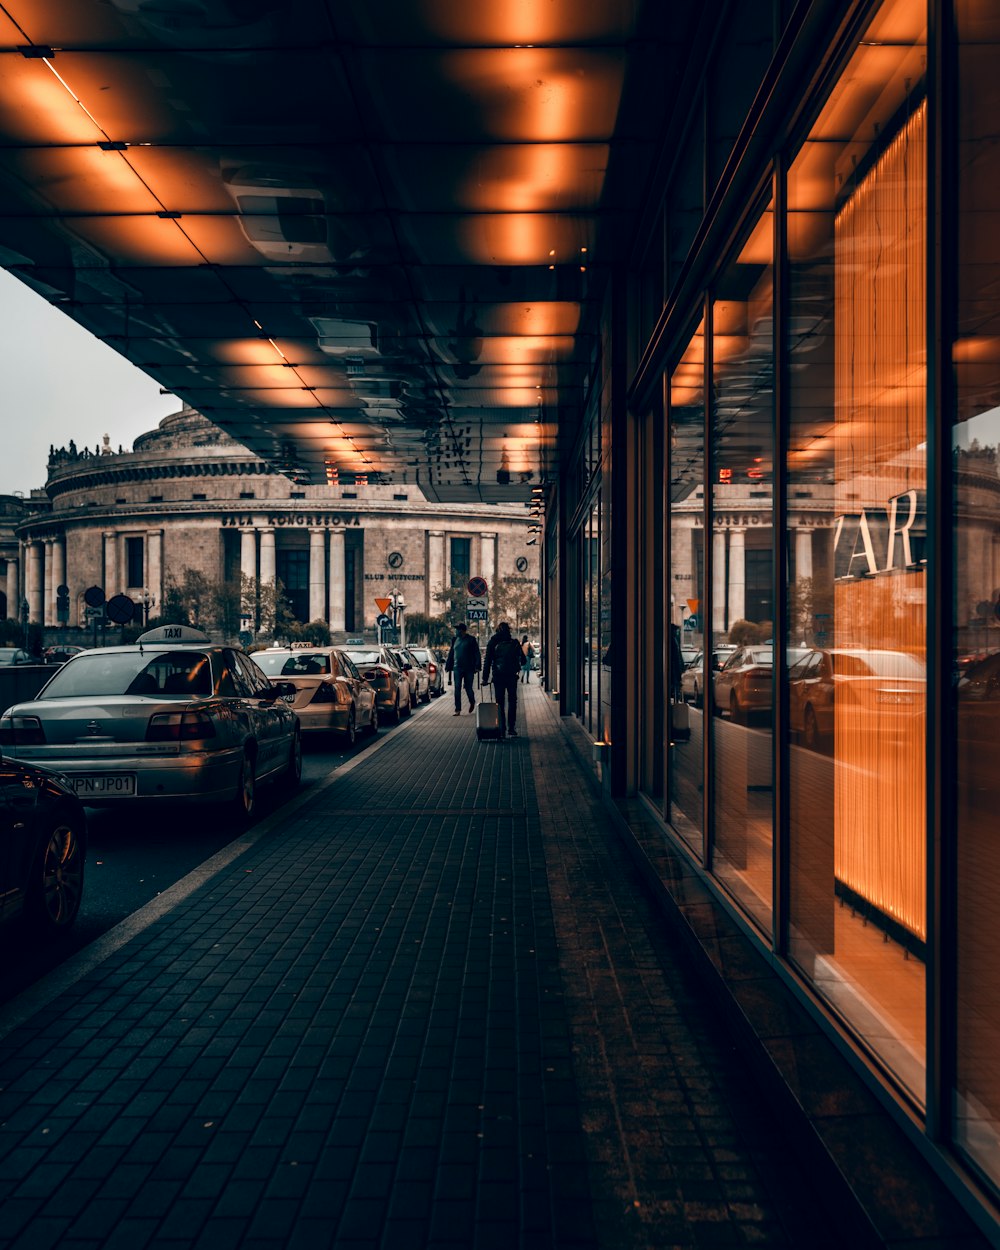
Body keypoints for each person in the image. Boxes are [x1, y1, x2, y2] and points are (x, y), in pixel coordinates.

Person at [482, 620, 524, 738]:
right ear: (508, 630)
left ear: (497, 630)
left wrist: (485, 678)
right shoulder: (514, 642)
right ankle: (511, 728)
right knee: (512, 701)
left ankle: (501, 729)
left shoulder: (493, 642)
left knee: (499, 702)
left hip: (498, 676)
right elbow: (523, 660)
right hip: (511, 676)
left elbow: (488, 661)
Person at [445, 622, 481, 715]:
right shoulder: (455, 640)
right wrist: (448, 665)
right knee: (457, 688)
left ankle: (472, 701)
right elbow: (451, 653)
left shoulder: (471, 640)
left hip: (469, 668)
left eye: (457, 629)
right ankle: (458, 709)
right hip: (457, 668)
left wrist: (477, 666)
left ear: (462, 630)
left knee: (468, 687)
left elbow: (477, 653)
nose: (456, 631)